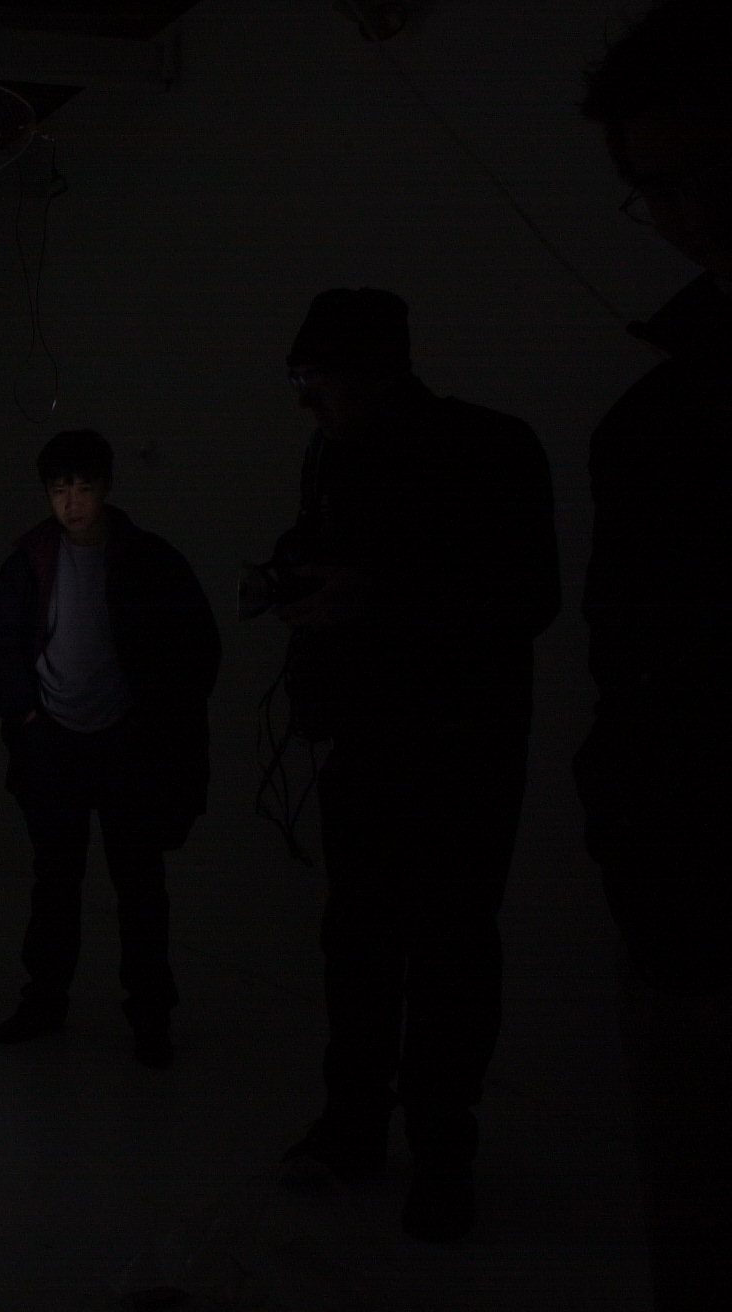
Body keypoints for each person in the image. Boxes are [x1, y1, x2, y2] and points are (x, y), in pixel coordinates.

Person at [267, 289, 558, 1243]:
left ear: (376, 373)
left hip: (461, 751)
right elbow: (331, 555)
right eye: (302, 380)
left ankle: (442, 1156)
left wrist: (374, 596)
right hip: (365, 742)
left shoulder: (490, 448)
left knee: (447, 953)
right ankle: (353, 1126)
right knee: (357, 943)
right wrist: (298, 578)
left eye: (318, 380)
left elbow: (528, 595)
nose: (307, 400)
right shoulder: (334, 454)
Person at [577, 4, 731, 1305]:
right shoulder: (652, 420)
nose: (689, 211)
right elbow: (630, 664)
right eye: (658, 189)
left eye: (713, 170)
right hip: (687, 907)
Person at [0, 430, 218, 1068]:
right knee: (56, 881)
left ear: (106, 488)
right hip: (53, 743)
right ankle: (45, 1000)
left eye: (83, 489)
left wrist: (157, 720)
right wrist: (27, 715)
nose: (73, 503)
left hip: (127, 745)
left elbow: (196, 646)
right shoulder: (32, 558)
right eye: (61, 490)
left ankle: (150, 1016)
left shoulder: (147, 559)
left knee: (139, 884)